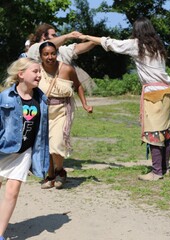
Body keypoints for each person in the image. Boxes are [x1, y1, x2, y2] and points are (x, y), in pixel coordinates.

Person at [79, 17, 170, 181]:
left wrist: (87, 37)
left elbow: (110, 43)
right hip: (166, 91)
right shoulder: (157, 45)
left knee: (154, 131)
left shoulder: (137, 45)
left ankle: (157, 171)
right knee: (165, 130)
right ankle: (164, 168)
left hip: (153, 93)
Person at [0, 58, 49, 240]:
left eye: (39, 71)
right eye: (35, 71)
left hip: (24, 152)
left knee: (12, 191)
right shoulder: (5, 97)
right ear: (21, 74)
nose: (39, 75)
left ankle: (0, 233)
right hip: (3, 149)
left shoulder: (41, 98)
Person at [39, 41, 93, 189]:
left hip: (62, 110)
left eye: (52, 53)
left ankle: (60, 171)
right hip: (43, 112)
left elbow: (78, 85)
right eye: (46, 54)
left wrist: (85, 104)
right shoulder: (37, 70)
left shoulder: (66, 69)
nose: (50, 57)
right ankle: (50, 175)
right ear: (40, 56)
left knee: (57, 143)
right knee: (45, 145)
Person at [27, 23, 97, 95]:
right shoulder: (34, 48)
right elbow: (47, 44)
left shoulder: (61, 50)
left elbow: (77, 48)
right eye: (53, 35)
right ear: (44, 36)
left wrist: (96, 41)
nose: (56, 37)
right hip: (40, 98)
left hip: (63, 99)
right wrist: (68, 36)